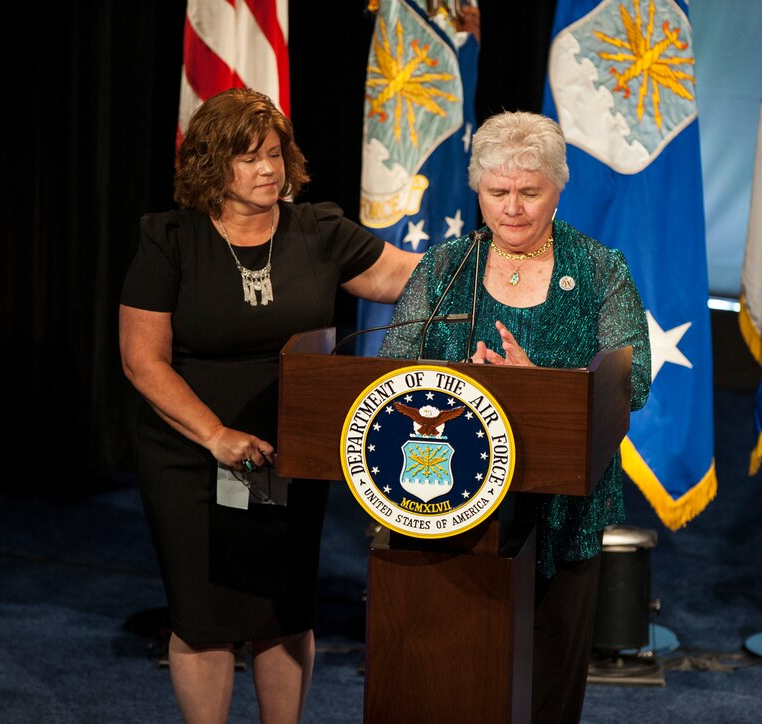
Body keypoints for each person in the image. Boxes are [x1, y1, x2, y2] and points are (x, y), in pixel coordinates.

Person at [118, 87, 418, 724]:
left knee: (282, 612)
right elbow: (143, 360)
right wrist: (216, 434)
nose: (268, 170)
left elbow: (405, 276)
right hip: (191, 454)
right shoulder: (170, 239)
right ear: (210, 165)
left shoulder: (319, 230)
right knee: (204, 620)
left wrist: (503, 258)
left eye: (275, 155)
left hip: (290, 451)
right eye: (248, 158)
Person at [378, 111, 651, 723]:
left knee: (546, 684)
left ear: (559, 186)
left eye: (530, 192)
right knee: (451, 674)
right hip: (447, 503)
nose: (513, 208)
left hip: (562, 512)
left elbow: (633, 383)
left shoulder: (602, 269)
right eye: (496, 192)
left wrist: (541, 388)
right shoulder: (445, 270)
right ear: (476, 188)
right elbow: (393, 369)